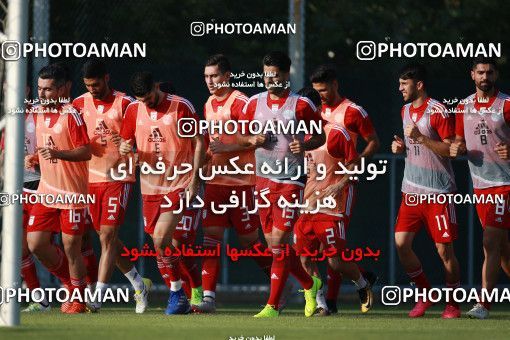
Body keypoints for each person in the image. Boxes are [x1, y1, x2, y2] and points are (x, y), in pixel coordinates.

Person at [240, 51, 325, 317]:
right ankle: (311, 284)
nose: (268, 79)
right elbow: (243, 135)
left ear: (286, 75)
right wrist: (252, 140)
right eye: (265, 74)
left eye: (274, 75)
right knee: (275, 245)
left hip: (291, 180)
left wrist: (306, 143)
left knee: (279, 242)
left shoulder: (301, 105)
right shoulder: (253, 103)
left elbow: (320, 136)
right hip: (263, 178)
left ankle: (272, 306)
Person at [119, 71, 205, 315]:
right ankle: (181, 295)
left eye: (148, 98)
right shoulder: (134, 110)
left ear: (156, 86)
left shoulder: (180, 106)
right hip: (150, 188)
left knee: (160, 239)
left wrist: (195, 180)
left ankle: (179, 295)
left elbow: (199, 141)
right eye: (141, 100)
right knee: (161, 247)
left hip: (179, 183)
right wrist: (126, 148)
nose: (145, 103)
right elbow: (126, 144)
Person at [195, 54, 274, 313]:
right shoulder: (208, 103)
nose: (209, 81)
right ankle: (208, 299)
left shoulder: (240, 101)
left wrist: (226, 148)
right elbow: (213, 141)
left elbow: (255, 138)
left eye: (214, 76)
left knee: (250, 243)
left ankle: (281, 284)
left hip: (242, 184)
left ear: (227, 76)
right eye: (206, 76)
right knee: (210, 239)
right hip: (217, 183)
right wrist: (207, 159)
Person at [73, 59, 151, 313]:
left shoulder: (126, 104)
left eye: (96, 84)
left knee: (107, 236)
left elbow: (143, 138)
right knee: (108, 240)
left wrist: (129, 146)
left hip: (119, 177)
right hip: (90, 180)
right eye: (88, 85)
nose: (92, 89)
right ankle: (139, 284)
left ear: (106, 78)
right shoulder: (79, 104)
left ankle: (97, 297)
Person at [392, 63, 461, 318]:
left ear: (418, 84)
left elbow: (450, 151)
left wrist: (421, 138)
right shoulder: (404, 110)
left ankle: (453, 303)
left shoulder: (438, 111)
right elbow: (413, 147)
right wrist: (401, 147)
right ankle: (425, 293)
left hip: (438, 193)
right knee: (401, 244)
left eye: (404, 84)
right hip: (410, 191)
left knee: (445, 251)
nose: (400, 88)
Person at [310, 64, 380, 313]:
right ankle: (360, 278)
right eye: (317, 91)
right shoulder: (314, 111)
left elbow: (373, 142)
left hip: (341, 187)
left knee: (332, 248)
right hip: (315, 187)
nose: (322, 95)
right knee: (319, 249)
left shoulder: (353, 111)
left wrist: (354, 166)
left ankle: (330, 300)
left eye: (325, 90)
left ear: (335, 84)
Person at [26, 64, 92, 314]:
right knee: (36, 243)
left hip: (73, 193)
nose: (43, 95)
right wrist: (35, 158)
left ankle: (79, 299)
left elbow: (85, 151)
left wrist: (57, 154)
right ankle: (69, 283)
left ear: (64, 89)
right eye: (40, 89)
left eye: (49, 90)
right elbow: (44, 147)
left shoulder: (71, 114)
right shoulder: (37, 113)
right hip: (47, 190)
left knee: (71, 246)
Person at [450, 57, 510, 319]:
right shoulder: (463, 107)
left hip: (504, 184)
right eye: (480, 72)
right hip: (480, 186)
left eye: (489, 72)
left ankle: (483, 305)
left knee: (489, 242)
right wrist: (457, 148)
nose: (485, 77)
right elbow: (458, 142)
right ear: (472, 75)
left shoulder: (506, 105)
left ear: (495, 75)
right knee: (502, 250)